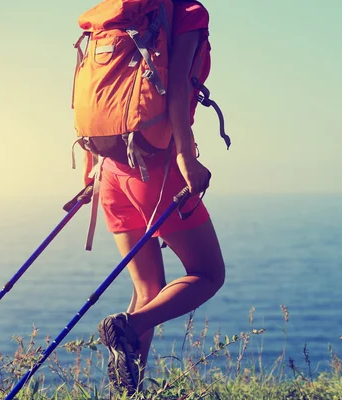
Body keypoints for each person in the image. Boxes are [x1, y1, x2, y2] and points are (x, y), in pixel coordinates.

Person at [81, 1, 226, 395]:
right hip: (155, 171)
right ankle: (126, 327)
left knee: (148, 290)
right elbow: (178, 87)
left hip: (111, 170)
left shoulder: (120, 14)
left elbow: (101, 94)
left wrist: (92, 170)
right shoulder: (189, 11)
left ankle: (129, 392)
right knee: (209, 273)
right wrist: (187, 158)